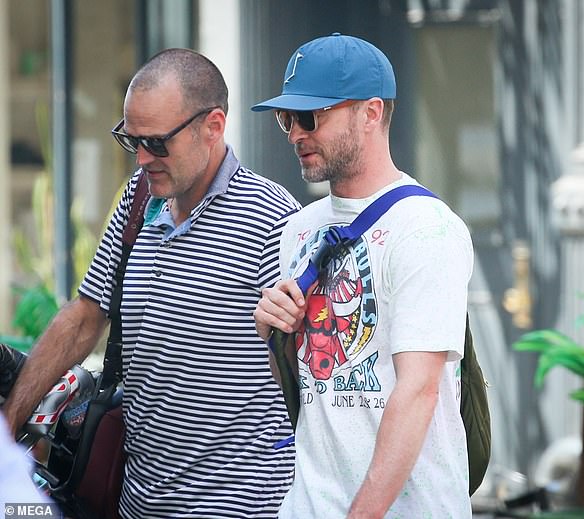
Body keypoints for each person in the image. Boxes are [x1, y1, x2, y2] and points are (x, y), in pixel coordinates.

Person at [3, 48, 300, 518]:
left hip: (241, 506)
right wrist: (6, 430)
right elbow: (84, 317)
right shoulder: (140, 199)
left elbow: (303, 370)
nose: (142, 159)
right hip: (137, 503)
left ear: (214, 126)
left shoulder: (273, 218)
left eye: (158, 143)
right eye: (131, 140)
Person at [251, 33, 474, 518]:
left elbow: (418, 391)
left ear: (370, 113)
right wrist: (274, 331)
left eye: (310, 117)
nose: (294, 134)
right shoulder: (299, 229)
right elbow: (309, 388)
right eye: (286, 119)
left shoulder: (426, 230)